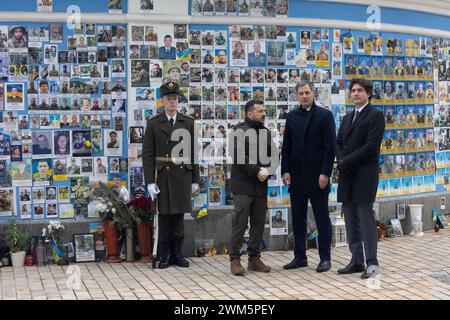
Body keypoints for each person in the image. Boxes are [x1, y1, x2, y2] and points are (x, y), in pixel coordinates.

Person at [142, 81, 200, 269]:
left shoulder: (188, 122)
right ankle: (164, 255)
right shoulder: (153, 124)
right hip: (163, 176)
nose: (172, 102)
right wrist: (149, 182)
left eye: (175, 99)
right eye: (168, 99)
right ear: (162, 101)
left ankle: (178, 254)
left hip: (182, 175)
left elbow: (193, 152)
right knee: (164, 217)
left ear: (178, 101)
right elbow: (148, 155)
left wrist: (195, 180)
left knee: (178, 218)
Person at [281, 81, 335, 272]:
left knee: (322, 219)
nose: (304, 96)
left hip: (318, 176)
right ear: (296, 96)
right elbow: (286, 147)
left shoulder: (325, 115)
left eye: (307, 93)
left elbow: (330, 148)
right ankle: (300, 257)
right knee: (298, 219)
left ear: (314, 93)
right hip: (297, 176)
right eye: (301, 93)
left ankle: (325, 258)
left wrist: (325, 173)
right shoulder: (292, 117)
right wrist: (285, 170)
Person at [336, 78, 385, 279]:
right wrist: (342, 161)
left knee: (365, 220)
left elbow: (370, 146)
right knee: (350, 220)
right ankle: (356, 260)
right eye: (353, 90)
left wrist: (346, 161)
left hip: (364, 175)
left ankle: (372, 263)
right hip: (347, 175)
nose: (355, 94)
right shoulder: (347, 117)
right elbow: (338, 142)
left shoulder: (375, 116)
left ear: (368, 93)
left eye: (359, 90)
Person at [228, 99, 278, 276]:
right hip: (244, 185)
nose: (264, 113)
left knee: (258, 223)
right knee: (239, 223)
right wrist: (258, 170)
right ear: (249, 114)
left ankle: (254, 259)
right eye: (260, 111)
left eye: (264, 110)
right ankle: (235, 259)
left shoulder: (265, 132)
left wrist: (268, 170)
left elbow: (274, 156)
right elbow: (239, 156)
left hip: (260, 186)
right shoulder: (238, 131)